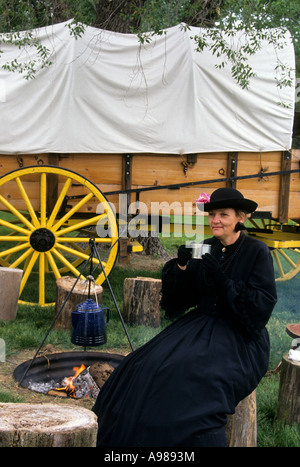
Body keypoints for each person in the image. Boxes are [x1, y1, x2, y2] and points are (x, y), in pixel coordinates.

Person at [92, 187, 277, 447]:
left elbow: (260, 308)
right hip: (200, 324)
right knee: (140, 365)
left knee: (189, 378)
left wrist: (223, 281)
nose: (215, 220)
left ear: (240, 218)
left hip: (240, 336)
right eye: (212, 214)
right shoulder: (206, 247)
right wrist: (180, 267)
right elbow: (180, 302)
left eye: (223, 214)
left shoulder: (256, 251)